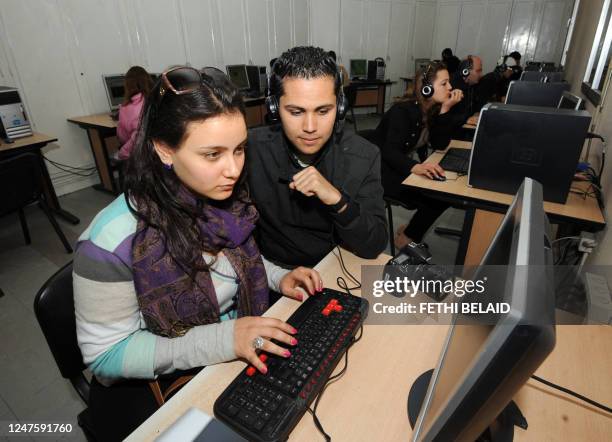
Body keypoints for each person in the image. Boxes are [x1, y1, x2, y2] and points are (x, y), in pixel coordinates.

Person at [73, 66, 323, 440]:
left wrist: (277, 276)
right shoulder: (112, 240)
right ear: (164, 149)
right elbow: (106, 359)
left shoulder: (219, 195)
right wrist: (223, 339)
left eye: (239, 149)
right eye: (213, 154)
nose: (234, 169)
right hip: (164, 385)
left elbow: (233, 263)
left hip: (229, 350)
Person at [247, 46, 387, 268]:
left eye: (323, 111)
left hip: (334, 269)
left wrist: (336, 199)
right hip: (272, 272)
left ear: (340, 107)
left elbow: (374, 244)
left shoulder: (364, 155)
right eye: (296, 112)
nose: (310, 127)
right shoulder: (250, 149)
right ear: (274, 108)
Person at [369, 61, 463, 248]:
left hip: (399, 165)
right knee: (436, 197)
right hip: (379, 171)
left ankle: (411, 229)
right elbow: (389, 151)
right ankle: (408, 237)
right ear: (427, 89)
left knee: (444, 193)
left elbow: (440, 144)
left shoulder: (433, 109)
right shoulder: (403, 111)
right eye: (444, 83)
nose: (450, 87)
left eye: (449, 82)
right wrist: (417, 167)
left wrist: (445, 110)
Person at [116, 66, 153, 160]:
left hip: (142, 156)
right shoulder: (156, 99)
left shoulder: (125, 108)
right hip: (162, 152)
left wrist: (122, 153)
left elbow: (123, 138)